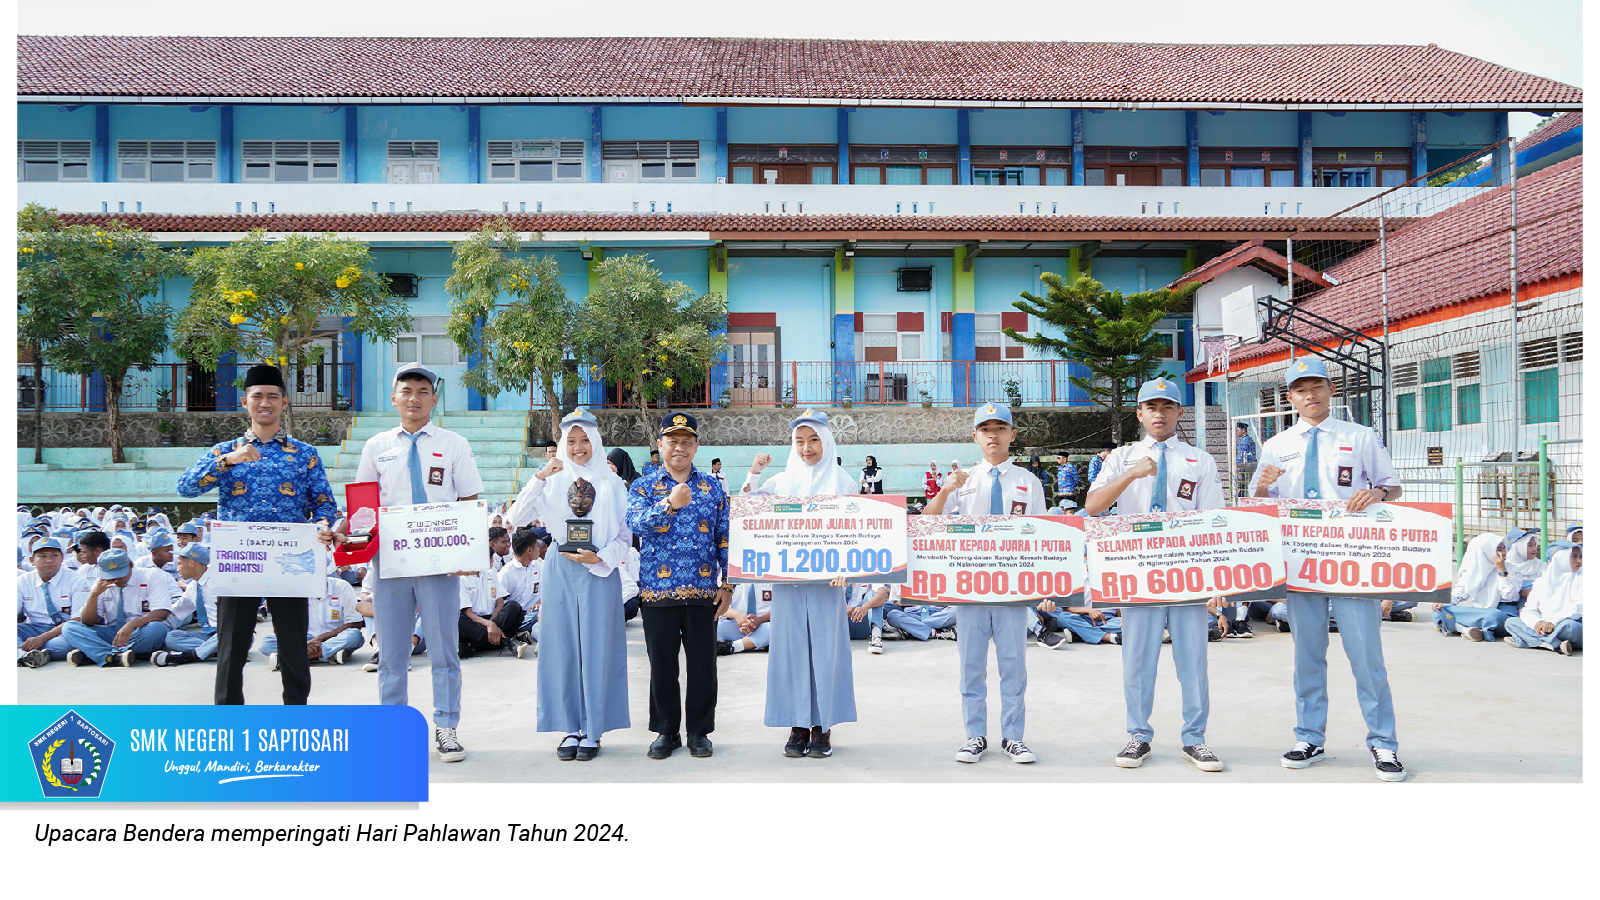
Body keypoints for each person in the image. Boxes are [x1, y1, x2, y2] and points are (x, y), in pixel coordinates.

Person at [1252, 356, 1407, 782]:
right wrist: (1262, 484)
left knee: (1366, 655)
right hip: (1301, 562)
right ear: (1290, 397)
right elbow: (1260, 503)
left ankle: (1383, 742)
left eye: (1317, 387)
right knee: (1308, 654)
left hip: (1349, 559)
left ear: (1330, 389)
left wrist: (1376, 493)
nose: (1310, 396)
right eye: (1301, 390)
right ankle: (1309, 737)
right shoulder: (1277, 444)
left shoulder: (1359, 436)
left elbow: (1393, 486)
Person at [176, 364, 343, 705]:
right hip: (240, 561)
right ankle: (230, 719)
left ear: (284, 402)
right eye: (257, 396)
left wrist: (323, 526)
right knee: (232, 647)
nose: (264, 403)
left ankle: (295, 717)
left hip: (289, 561)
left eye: (272, 396)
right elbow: (185, 487)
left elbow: (324, 504)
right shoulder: (225, 451)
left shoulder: (304, 454)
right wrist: (228, 461)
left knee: (293, 646)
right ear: (245, 402)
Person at [1085, 378, 1228, 772]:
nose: (1159, 414)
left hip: (1186, 574)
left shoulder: (1200, 460)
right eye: (1151, 407)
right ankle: (1138, 735)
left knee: (1193, 661)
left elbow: (1213, 521)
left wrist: (1217, 583)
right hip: (1137, 574)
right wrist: (1132, 474)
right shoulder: (1121, 457)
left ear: (1180, 412)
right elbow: (1093, 506)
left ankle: (1195, 739)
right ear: (1139, 414)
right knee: (1137, 659)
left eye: (1167, 407)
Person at [350, 363, 484, 763]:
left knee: (444, 650)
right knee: (392, 653)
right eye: (406, 390)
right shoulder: (376, 446)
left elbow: (468, 501)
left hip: (439, 562)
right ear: (394, 398)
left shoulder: (453, 443)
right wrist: (352, 543)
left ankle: (447, 727)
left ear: (434, 399)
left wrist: (465, 553)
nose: (414, 398)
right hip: (391, 563)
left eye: (423, 391)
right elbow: (363, 507)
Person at [924, 403, 1051, 765]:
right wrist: (945, 490)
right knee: (971, 665)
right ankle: (975, 736)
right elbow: (927, 522)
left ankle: (1013, 737)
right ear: (975, 437)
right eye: (985, 429)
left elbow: (1045, 536)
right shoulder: (962, 481)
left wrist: (1047, 590)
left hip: (1013, 589)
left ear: (1013, 434)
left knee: (1013, 665)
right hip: (972, 588)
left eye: (1000, 428)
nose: (993, 435)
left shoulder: (1029, 482)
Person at [510, 408, 632, 762]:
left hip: (598, 570)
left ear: (595, 442)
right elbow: (516, 518)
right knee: (561, 647)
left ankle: (593, 729)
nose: (578, 448)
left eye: (585, 440)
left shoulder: (611, 483)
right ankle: (569, 727)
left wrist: (601, 557)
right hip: (560, 568)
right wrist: (539, 477)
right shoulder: (551, 479)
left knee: (598, 648)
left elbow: (625, 534)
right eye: (572, 441)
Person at [741, 409, 860, 759]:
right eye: (799, 441)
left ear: (827, 442)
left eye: (813, 440)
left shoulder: (844, 483)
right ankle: (797, 724)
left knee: (826, 651)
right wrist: (755, 471)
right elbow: (747, 509)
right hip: (788, 582)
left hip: (828, 584)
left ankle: (822, 725)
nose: (806, 448)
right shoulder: (780, 482)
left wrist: (848, 569)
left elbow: (857, 534)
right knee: (790, 650)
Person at [627, 412, 733, 760]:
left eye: (687, 441)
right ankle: (666, 731)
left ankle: (699, 731)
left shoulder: (713, 488)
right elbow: (636, 524)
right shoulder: (643, 487)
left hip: (704, 591)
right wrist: (670, 504)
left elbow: (724, 537)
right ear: (660, 445)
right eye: (672, 441)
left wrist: (728, 584)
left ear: (696, 446)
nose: (679, 447)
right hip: (657, 591)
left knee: (703, 666)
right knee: (662, 666)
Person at [57, 549, 178, 667]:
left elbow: (162, 612)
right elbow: (87, 621)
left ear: (131, 565)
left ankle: (98, 654)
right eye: (111, 575)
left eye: (120, 574)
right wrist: (94, 595)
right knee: (69, 627)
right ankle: (114, 656)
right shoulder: (101, 583)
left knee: (156, 629)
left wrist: (132, 624)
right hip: (115, 632)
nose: (116, 579)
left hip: (142, 630)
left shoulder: (152, 575)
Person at [260, 575, 364, 669]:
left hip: (335, 638)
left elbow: (355, 624)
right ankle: (326, 654)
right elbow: (286, 626)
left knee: (355, 636)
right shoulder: (297, 590)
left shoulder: (342, 587)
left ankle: (295, 657)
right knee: (265, 643)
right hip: (305, 640)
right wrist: (303, 643)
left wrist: (320, 638)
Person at [16, 538, 88, 668]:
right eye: (42, 556)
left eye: (54, 555)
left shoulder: (77, 581)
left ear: (62, 558)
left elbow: (77, 619)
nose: (49, 560)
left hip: (64, 630)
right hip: (33, 628)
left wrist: (42, 639)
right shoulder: (22, 582)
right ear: (32, 560)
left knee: (67, 643)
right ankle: (23, 656)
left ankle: (28, 653)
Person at [1434, 533, 1518, 642]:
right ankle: (1466, 629)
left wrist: (1502, 571)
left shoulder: (1512, 569)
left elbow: (1509, 595)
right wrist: (1443, 602)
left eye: (1504, 549)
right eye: (1498, 549)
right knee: (1438, 608)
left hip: (1502, 616)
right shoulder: (1474, 570)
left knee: (1493, 615)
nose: (1503, 553)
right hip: (1479, 613)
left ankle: (1453, 625)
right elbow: (1459, 593)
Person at [1504, 545, 1581, 655]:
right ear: (1561, 558)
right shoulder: (1541, 582)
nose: (1579, 561)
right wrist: (1537, 623)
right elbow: (1528, 609)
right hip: (1544, 626)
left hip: (1567, 625)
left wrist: (1553, 623)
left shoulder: (1583, 579)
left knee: (1569, 627)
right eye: (1574, 556)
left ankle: (1530, 640)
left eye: (1581, 556)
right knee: (1511, 622)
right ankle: (1555, 644)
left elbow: (1579, 608)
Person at [152, 543, 219, 668]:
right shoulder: (193, 587)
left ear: (192, 563)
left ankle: (189, 656)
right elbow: (174, 611)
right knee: (171, 637)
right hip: (210, 636)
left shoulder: (218, 582)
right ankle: (215, 651)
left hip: (231, 633)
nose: (177, 569)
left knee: (227, 635)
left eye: (179, 564)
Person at [456, 564, 526, 659]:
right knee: (457, 618)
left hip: (495, 620)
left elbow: (500, 602)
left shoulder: (490, 572)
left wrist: (493, 624)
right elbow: (468, 612)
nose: (492, 560)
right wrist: (488, 624)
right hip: (474, 623)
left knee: (514, 607)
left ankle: (473, 646)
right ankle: (505, 641)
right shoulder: (460, 577)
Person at [718, 583, 773, 654]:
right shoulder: (729, 578)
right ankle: (755, 642)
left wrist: (760, 619)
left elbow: (782, 609)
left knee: (776, 629)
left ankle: (733, 647)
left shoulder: (773, 579)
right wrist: (736, 614)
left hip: (764, 625)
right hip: (737, 625)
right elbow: (718, 606)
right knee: (714, 628)